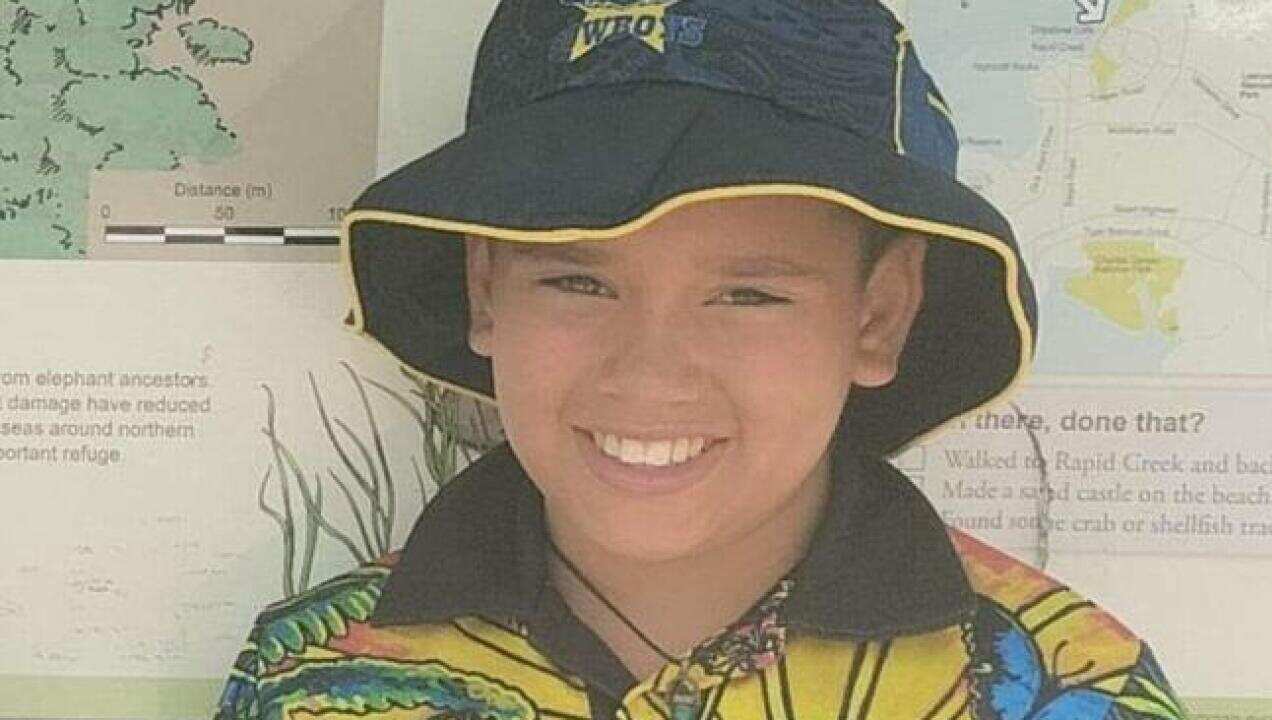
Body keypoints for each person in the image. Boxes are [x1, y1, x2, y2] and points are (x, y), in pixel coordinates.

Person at [215, 1, 1185, 719]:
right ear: (483, 292)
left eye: (749, 295)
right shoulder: (315, 674)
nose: (648, 374)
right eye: (576, 284)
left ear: (877, 316)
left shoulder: (1066, 682)